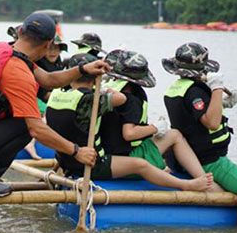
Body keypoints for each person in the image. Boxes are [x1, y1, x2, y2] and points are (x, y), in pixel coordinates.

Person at [0, 13, 109, 197]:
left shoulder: (7, 51)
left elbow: (48, 80)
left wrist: (82, 69)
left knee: (24, 121)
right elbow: (36, 130)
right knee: (26, 125)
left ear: (20, 31)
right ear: (48, 44)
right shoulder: (18, 72)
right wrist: (76, 151)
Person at [47, 53, 213, 191]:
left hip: (66, 160)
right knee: (144, 161)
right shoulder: (97, 99)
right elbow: (127, 128)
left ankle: (171, 170)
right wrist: (154, 128)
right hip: (91, 162)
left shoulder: (57, 94)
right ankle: (188, 184)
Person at [162, 42, 237, 227]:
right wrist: (217, 89)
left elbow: (192, 114)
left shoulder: (178, 87)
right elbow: (211, 122)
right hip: (209, 160)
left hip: (183, 159)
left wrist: (222, 103)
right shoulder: (195, 91)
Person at [95, 50, 214, 186]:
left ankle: (164, 168)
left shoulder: (107, 93)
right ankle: (202, 179)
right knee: (175, 135)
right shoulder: (132, 99)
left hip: (108, 154)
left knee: (160, 138)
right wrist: (154, 128)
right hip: (126, 160)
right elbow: (129, 133)